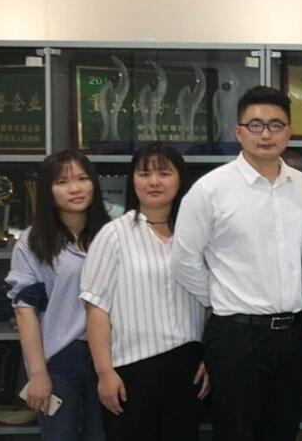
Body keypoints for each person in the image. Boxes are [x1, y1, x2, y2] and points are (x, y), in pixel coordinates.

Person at [171, 86, 302, 441]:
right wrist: (223, 298)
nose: (265, 134)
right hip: (237, 336)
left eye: (275, 125)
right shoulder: (210, 189)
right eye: (255, 125)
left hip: (296, 334)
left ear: (289, 132)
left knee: (283, 430)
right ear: (238, 132)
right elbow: (184, 260)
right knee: (235, 431)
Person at [81, 143, 208, 441]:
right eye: (144, 174)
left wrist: (211, 358)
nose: (153, 182)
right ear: (133, 180)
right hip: (131, 370)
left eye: (164, 173)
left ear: (180, 179)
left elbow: (216, 302)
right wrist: (105, 373)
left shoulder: (197, 236)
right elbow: (96, 308)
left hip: (188, 366)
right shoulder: (113, 235)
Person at [7, 150, 110, 440]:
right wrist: (38, 373)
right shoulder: (33, 241)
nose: (75, 188)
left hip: (112, 355)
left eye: (82, 178)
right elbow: (24, 311)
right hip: (60, 358)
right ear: (48, 190)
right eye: (62, 182)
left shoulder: (112, 235)